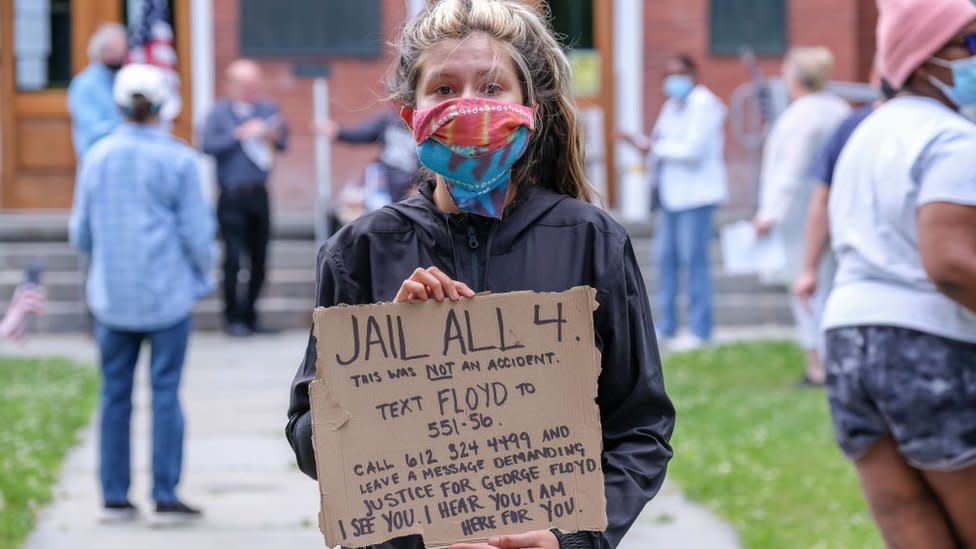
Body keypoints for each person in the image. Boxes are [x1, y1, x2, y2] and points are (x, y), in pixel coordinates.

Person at [286, 2, 675, 549]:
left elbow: (640, 427)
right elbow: (308, 438)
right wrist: (379, 367)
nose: (468, 106)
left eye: (491, 88)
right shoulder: (358, 252)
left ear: (530, 110)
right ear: (409, 116)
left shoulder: (590, 241)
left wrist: (572, 538)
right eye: (443, 90)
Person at [823, 0, 976, 544]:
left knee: (906, 520)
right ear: (923, 57)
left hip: (846, 342)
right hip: (927, 344)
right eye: (971, 45)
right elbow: (952, 263)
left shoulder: (864, 133)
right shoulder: (953, 139)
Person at [69, 64, 214, 524]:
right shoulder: (178, 159)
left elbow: (80, 233)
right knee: (165, 392)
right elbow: (197, 232)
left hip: (112, 295)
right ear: (160, 107)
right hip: (168, 293)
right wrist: (201, 276)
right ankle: (165, 492)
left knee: (114, 395)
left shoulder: (96, 157)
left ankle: (115, 496)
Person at [752, 47, 850, 386]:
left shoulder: (800, 117)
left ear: (793, 76)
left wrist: (769, 214)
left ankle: (819, 366)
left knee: (806, 288)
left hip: (801, 214)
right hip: (835, 210)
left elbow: (789, 172)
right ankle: (830, 360)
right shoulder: (838, 108)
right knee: (828, 285)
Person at [619, 54, 728, 350]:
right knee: (664, 259)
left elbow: (692, 150)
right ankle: (666, 326)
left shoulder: (705, 105)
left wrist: (654, 147)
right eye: (669, 74)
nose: (673, 80)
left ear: (694, 74)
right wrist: (644, 145)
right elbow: (661, 145)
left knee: (694, 262)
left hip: (696, 197)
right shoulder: (671, 107)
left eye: (679, 73)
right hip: (670, 197)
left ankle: (700, 330)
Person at [792, 77, 898, 310]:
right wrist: (809, 268)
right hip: (862, 274)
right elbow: (822, 198)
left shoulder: (943, 130)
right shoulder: (853, 127)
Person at [201, 59, 289, 337]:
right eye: (246, 84)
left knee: (259, 258)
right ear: (231, 85)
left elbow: (283, 142)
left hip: (258, 194)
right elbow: (208, 145)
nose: (252, 89)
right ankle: (232, 318)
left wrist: (272, 135)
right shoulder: (219, 113)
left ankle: (251, 316)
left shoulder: (266, 109)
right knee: (233, 258)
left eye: (255, 84)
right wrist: (238, 134)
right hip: (231, 196)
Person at [318, 105, 420, 204]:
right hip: (386, 180)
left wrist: (419, 185)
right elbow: (361, 133)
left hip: (410, 184)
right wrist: (338, 132)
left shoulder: (421, 125)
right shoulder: (387, 120)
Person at [67, 23, 128, 158]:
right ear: (99, 51)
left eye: (121, 50)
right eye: (112, 51)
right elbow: (92, 130)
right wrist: (127, 128)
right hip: (96, 158)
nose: (118, 56)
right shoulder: (84, 85)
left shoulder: (124, 80)